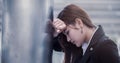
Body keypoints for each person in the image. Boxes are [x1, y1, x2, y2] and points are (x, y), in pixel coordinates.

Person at [52, 4, 120, 63]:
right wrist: (56, 32)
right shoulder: (79, 46)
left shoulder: (105, 47)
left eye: (67, 32)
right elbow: (56, 45)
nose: (68, 39)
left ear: (79, 23)